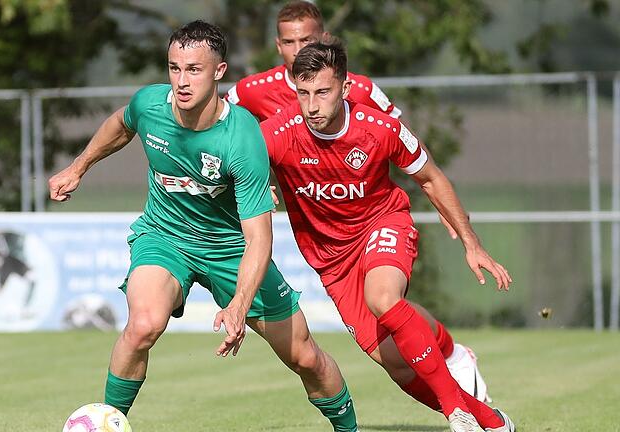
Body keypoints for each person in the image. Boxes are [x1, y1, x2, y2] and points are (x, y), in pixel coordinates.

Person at [49, 20, 360, 432]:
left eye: (194, 69)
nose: (181, 80)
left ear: (218, 71)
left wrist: (238, 305)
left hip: (231, 247)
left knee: (304, 356)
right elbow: (121, 125)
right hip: (165, 237)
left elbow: (258, 238)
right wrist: (78, 167)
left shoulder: (241, 138)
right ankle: (107, 422)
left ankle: (348, 429)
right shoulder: (150, 105)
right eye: (174, 68)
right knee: (143, 325)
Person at [227, 0, 494, 405]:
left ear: (325, 40)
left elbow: (411, 153)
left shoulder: (363, 91)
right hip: (325, 242)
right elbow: (221, 129)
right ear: (277, 45)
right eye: (289, 41)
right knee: (391, 355)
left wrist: (454, 216)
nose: (299, 49)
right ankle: (450, 354)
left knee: (385, 299)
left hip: (375, 221)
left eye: (308, 40)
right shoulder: (252, 92)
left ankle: (462, 394)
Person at [259, 40, 515, 432]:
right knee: (397, 363)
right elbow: (234, 164)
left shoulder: (379, 129)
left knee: (383, 297)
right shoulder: (279, 131)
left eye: (323, 92)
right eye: (304, 92)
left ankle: (456, 412)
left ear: (345, 88)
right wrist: (254, 182)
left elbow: (430, 178)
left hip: (382, 223)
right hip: (331, 260)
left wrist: (471, 242)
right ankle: (492, 422)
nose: (311, 105)